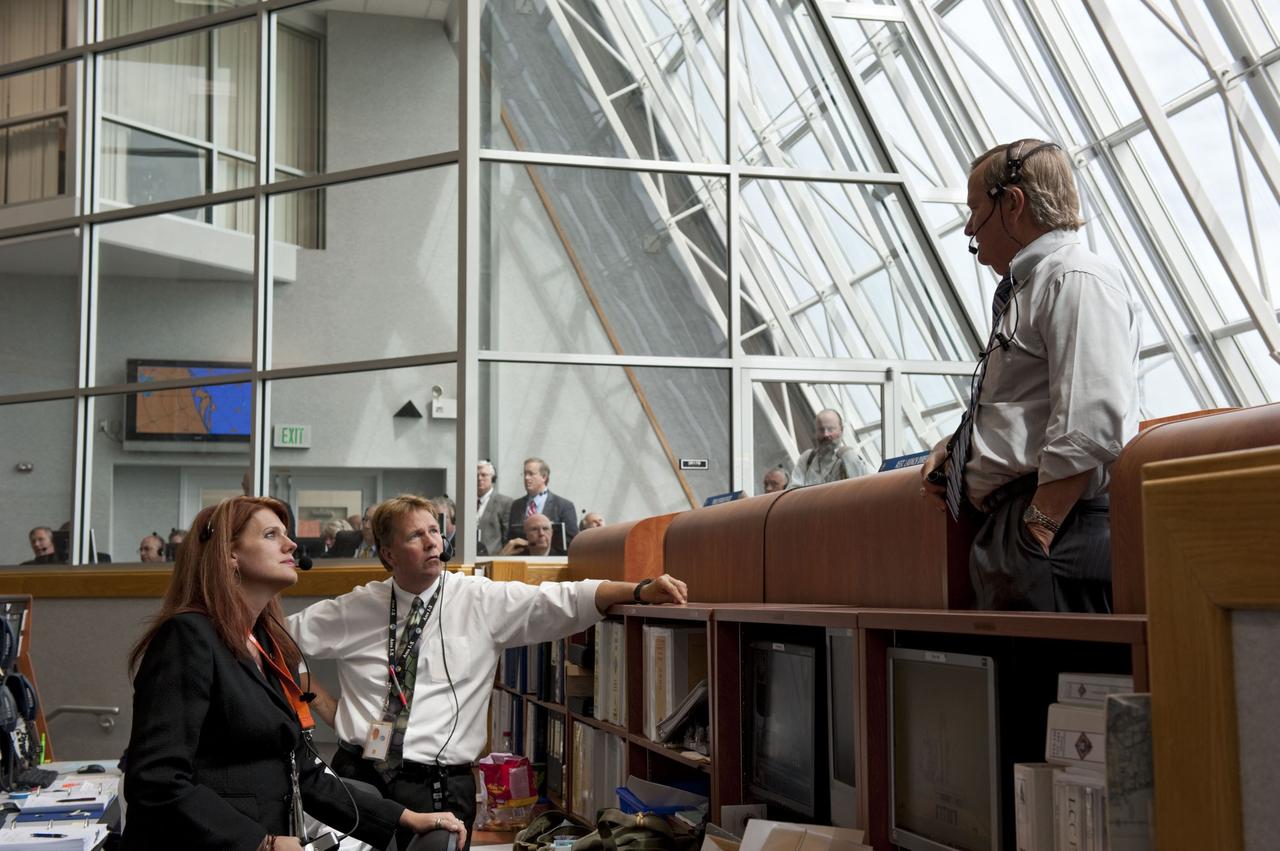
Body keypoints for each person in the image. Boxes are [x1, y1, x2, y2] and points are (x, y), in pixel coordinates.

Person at [287, 494, 687, 850]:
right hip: (358, 774)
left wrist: (637, 589)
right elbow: (276, 642)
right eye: (415, 536)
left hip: (437, 786)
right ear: (388, 553)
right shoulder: (358, 607)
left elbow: (563, 599)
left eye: (435, 531)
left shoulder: (478, 598)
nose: (432, 542)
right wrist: (326, 706)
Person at [122, 496, 465, 851]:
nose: (291, 544)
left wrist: (402, 817)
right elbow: (156, 779)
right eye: (271, 535)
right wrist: (261, 843)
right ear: (229, 555)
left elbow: (302, 771)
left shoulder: (265, 643)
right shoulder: (188, 637)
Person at [920, 139, 1138, 613]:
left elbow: (1089, 421)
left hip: (1056, 532)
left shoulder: (1073, 277)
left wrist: (1037, 530)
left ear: (1012, 203)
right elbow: (1024, 406)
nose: (969, 228)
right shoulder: (1029, 288)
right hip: (1022, 528)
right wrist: (958, 448)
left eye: (976, 209)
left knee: (1055, 683)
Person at [788, 410, 870, 488]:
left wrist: (849, 457)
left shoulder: (850, 457)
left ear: (841, 430)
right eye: (821, 430)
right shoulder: (807, 458)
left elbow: (864, 486)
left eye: (830, 429)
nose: (826, 434)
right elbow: (793, 490)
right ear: (816, 432)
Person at [506, 458, 578, 545]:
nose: (526, 478)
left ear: (544, 477)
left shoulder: (564, 506)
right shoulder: (517, 505)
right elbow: (510, 537)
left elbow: (572, 541)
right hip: (522, 557)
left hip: (550, 557)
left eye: (531, 474)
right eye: (525, 474)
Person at [475, 460, 513, 557]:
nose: (479, 478)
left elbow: (507, 537)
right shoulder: (466, 502)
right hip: (471, 558)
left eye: (483, 475)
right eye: (476, 475)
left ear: (493, 478)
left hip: (494, 558)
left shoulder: (505, 502)